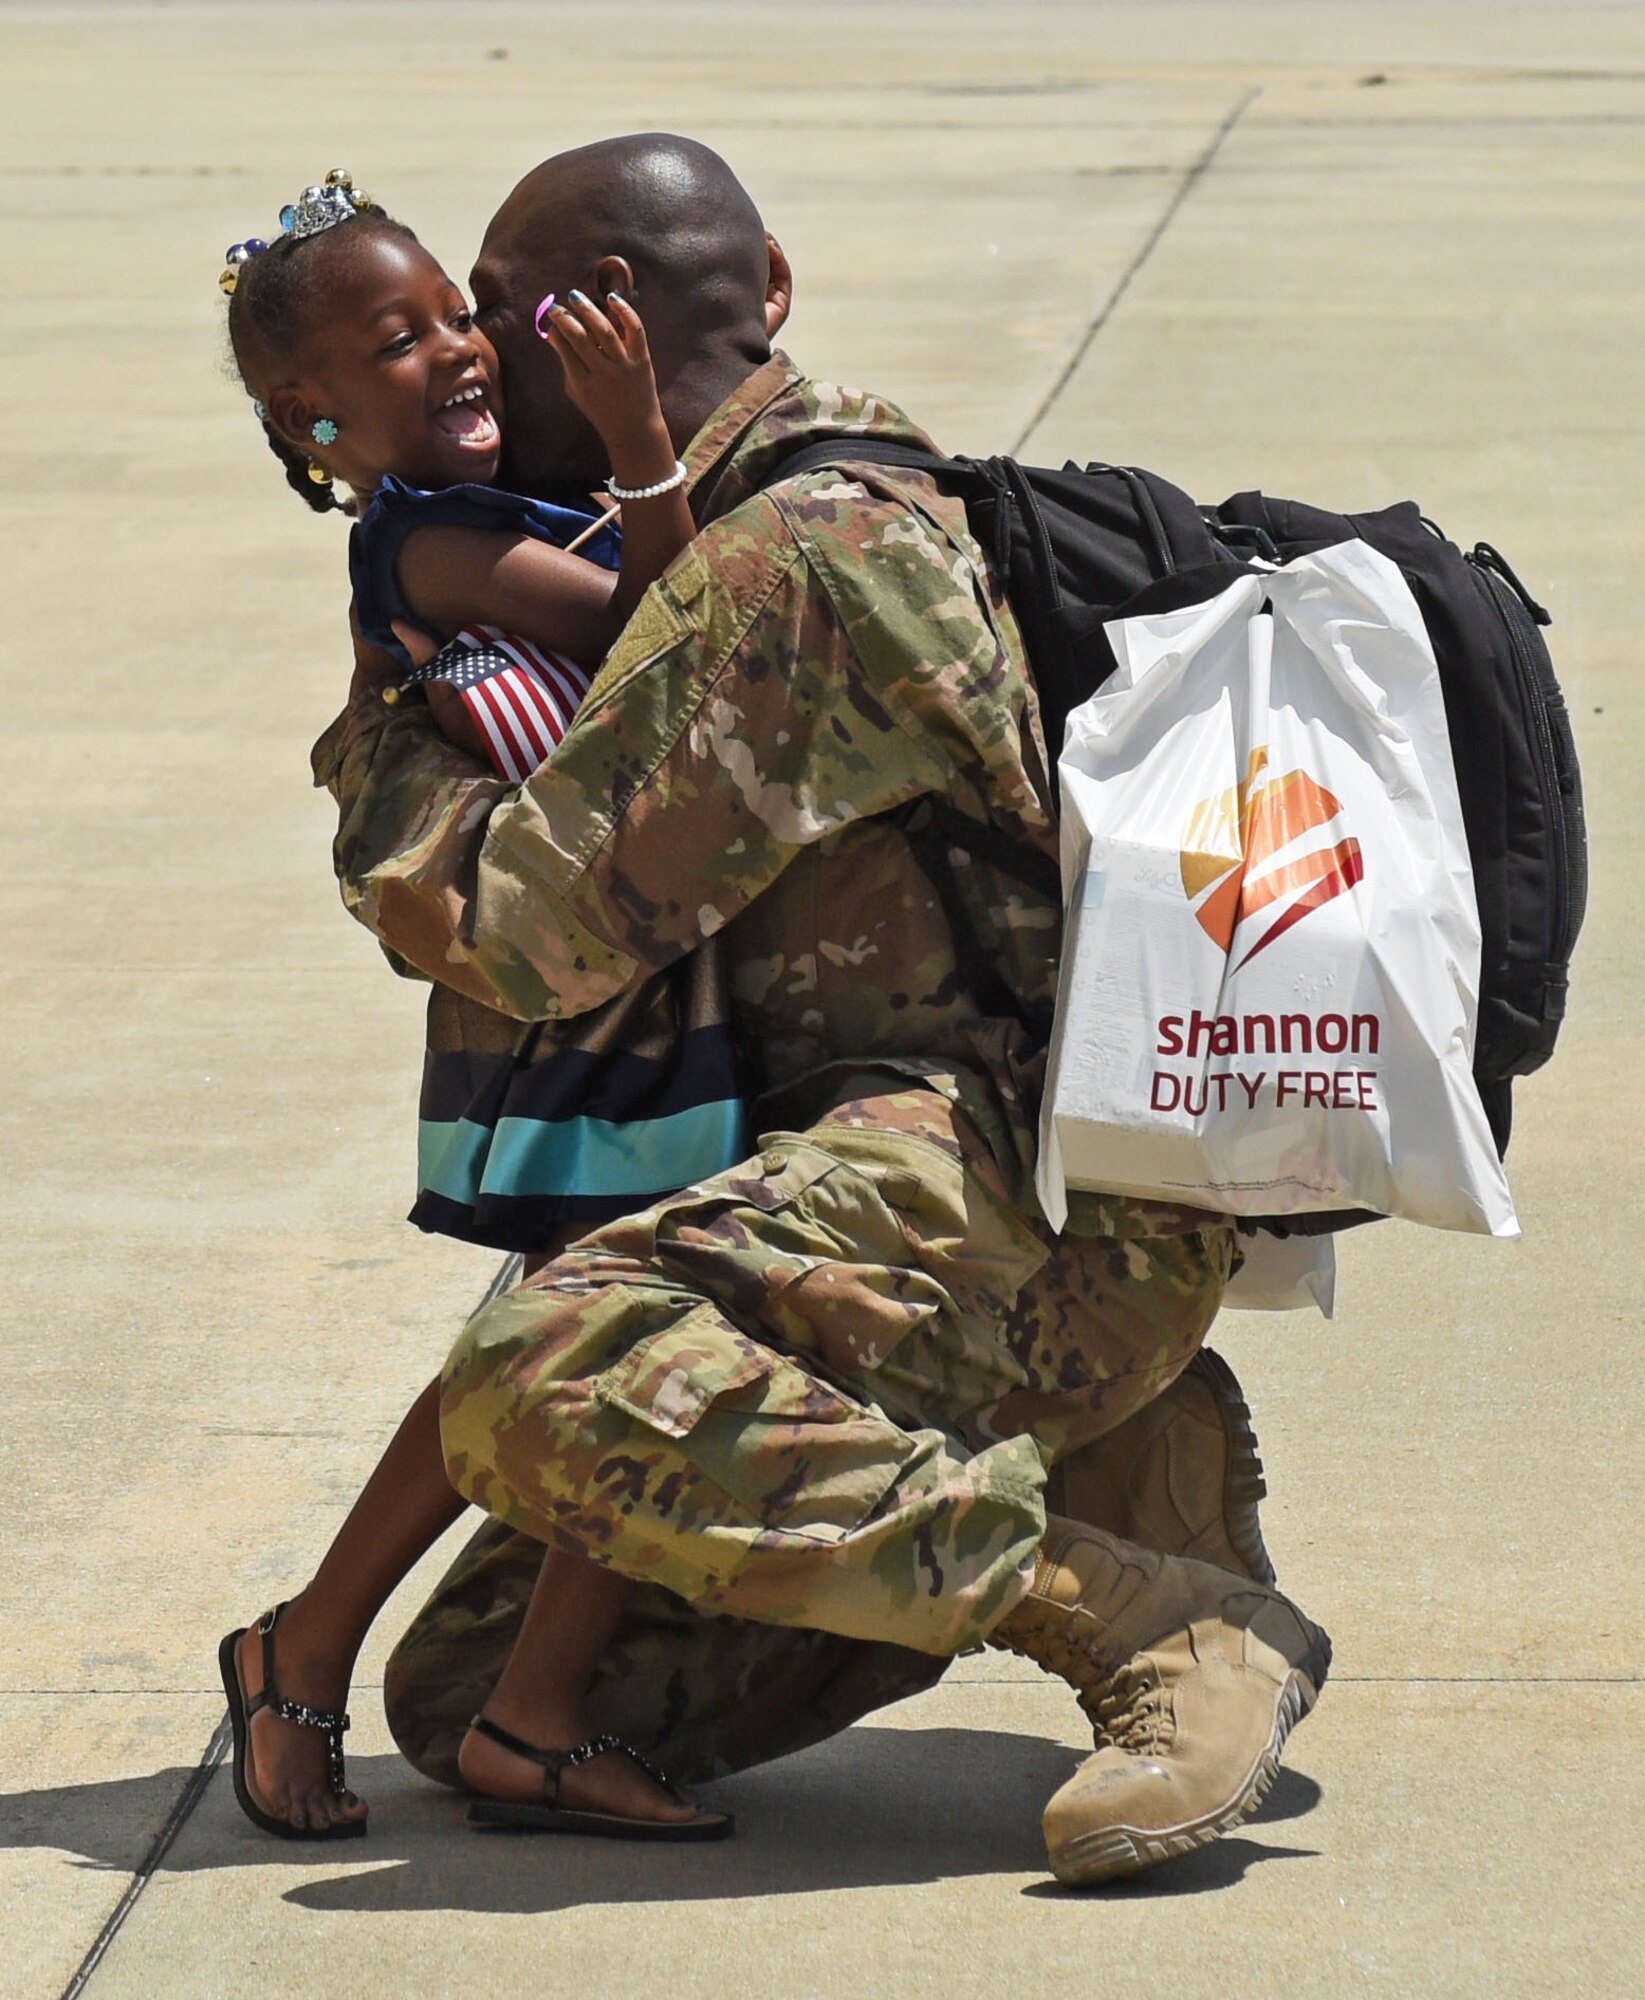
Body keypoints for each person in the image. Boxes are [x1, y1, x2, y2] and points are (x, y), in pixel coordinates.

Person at [309, 132, 1332, 1887]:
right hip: (955, 1182)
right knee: (477, 1696)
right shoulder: (846, 484)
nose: (473, 355)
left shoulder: (788, 561)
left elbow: (518, 929)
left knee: (545, 1377)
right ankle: (1102, 1450)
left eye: (499, 311)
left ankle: (1137, 1615)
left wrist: (379, 731)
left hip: (997, 1191)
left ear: (601, 324)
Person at [218, 173, 771, 1841]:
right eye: (401, 341)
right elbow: (678, 642)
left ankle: (518, 1715)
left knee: (625, 1342)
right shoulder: (441, 539)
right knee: (595, 1338)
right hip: (590, 1038)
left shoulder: (480, 506)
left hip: (641, 1005)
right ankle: (309, 1649)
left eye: (457, 313)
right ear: (310, 418)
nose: (459, 351)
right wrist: (638, 447)